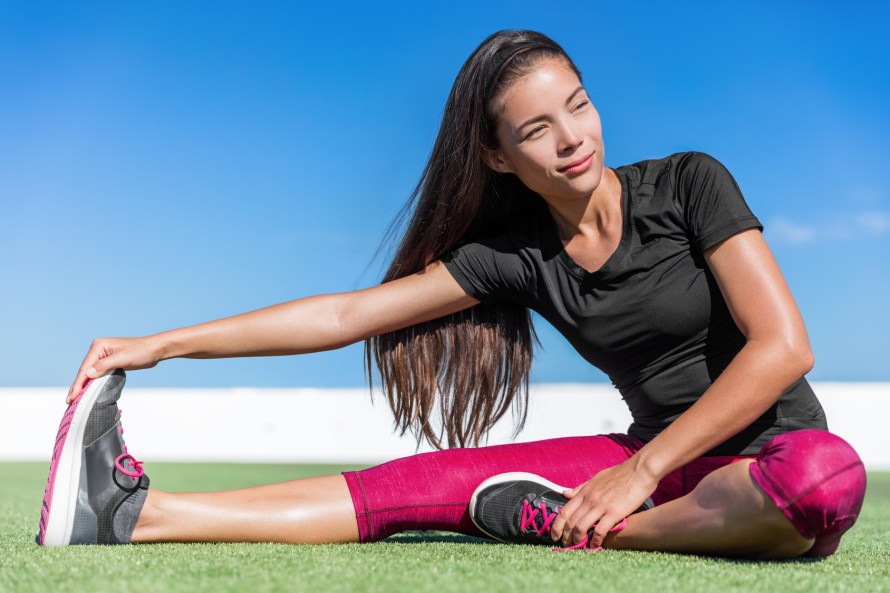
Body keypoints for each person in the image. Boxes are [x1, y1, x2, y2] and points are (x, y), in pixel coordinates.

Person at [37, 29, 865, 558]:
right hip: (644, 468)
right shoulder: (517, 255)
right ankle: (135, 515)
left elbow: (784, 346)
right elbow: (344, 314)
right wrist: (158, 344)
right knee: (421, 483)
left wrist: (641, 473)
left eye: (577, 105)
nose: (573, 137)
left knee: (824, 482)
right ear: (500, 156)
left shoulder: (689, 185)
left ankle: (583, 528)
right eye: (538, 129)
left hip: (762, 463)